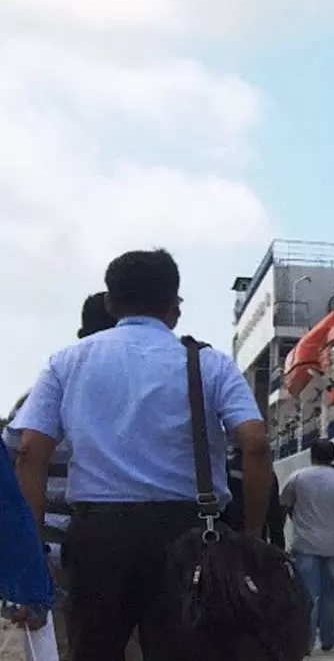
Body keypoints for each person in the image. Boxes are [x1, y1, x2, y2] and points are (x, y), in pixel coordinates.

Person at [8, 249, 271, 661]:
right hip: (188, 534)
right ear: (174, 307)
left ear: (110, 303)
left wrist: (33, 545)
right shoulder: (210, 364)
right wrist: (251, 535)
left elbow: (29, 451)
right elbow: (255, 444)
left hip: (98, 535)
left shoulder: (66, 362)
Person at [2, 293, 120, 661]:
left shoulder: (44, 391)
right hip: (124, 547)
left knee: (61, 648)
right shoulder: (144, 390)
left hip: (48, 552)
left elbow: (16, 462)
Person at [280, 439, 334, 655]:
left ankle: (306, 642)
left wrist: (285, 531)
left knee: (308, 595)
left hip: (304, 546)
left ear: (312, 455)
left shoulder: (297, 478)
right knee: (330, 593)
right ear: (333, 456)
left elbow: (283, 507)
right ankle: (328, 637)